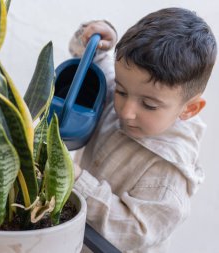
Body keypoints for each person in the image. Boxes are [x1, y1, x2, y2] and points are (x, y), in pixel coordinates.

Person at [69, 7, 217, 252]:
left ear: (189, 109)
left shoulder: (170, 174)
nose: (126, 111)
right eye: (120, 91)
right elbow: (85, 58)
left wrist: (77, 181)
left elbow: (135, 231)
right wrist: (97, 38)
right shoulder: (128, 90)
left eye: (149, 104)